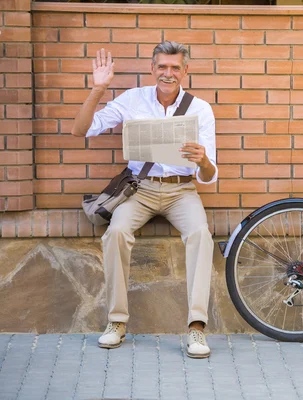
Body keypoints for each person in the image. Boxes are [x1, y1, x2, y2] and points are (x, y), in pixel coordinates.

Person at [70, 41, 217, 358]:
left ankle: (196, 328)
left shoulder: (200, 109)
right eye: (162, 66)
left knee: (200, 236)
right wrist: (98, 88)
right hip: (142, 190)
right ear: (153, 69)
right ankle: (116, 322)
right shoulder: (133, 99)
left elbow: (209, 175)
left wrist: (203, 160)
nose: (168, 73)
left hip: (182, 190)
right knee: (117, 233)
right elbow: (81, 129)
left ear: (185, 71)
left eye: (175, 67)